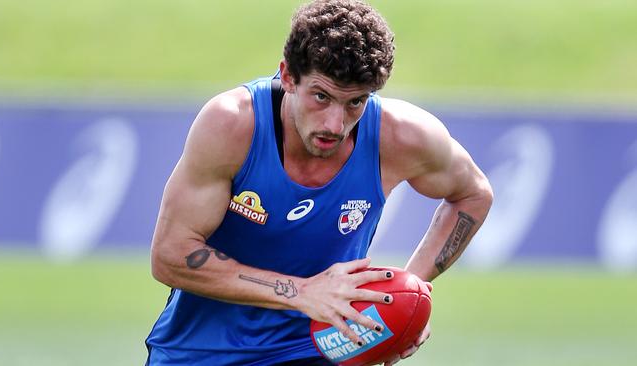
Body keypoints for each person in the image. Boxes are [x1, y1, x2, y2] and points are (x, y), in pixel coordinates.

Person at [145, 0, 493, 365]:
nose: (335, 124)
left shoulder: (401, 136)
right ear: (288, 76)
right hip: (201, 350)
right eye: (321, 96)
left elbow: (473, 194)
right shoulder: (232, 125)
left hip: (322, 348)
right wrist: (302, 292)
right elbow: (169, 257)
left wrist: (407, 295)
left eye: (355, 102)